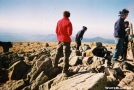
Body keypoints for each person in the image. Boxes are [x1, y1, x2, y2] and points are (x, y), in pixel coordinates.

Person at [53, 11, 73, 76]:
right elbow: (69, 33)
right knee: (66, 55)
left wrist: (60, 36)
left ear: (63, 15)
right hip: (66, 40)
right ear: (69, 16)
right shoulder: (69, 22)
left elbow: (56, 31)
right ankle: (65, 70)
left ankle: (54, 66)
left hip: (59, 40)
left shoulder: (59, 21)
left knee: (58, 53)